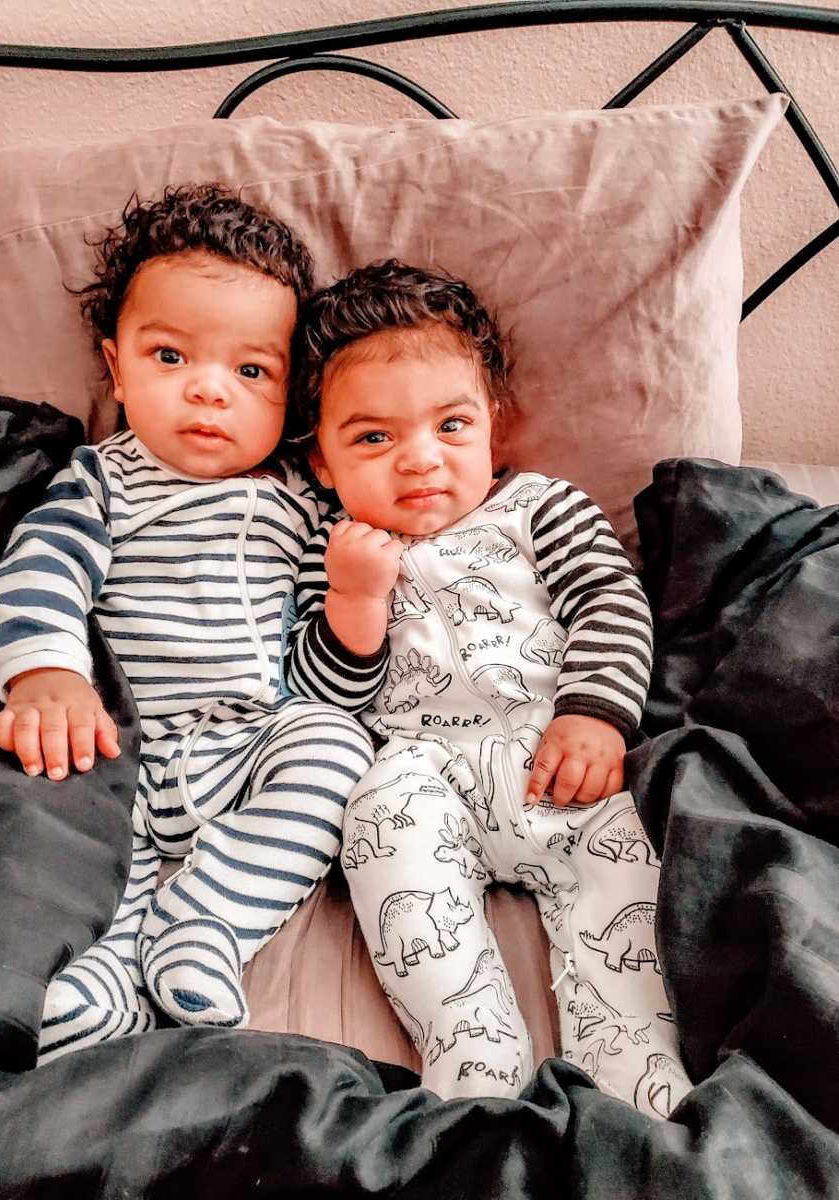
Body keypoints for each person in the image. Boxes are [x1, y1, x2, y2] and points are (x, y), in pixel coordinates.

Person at [284, 260, 692, 1115]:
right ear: (320, 461)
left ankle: (631, 1077)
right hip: (426, 772)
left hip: (560, 761)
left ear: (493, 429)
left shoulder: (538, 506)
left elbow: (611, 601)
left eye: (451, 424)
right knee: (378, 815)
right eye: (372, 439)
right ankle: (472, 1048)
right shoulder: (330, 548)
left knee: (622, 876)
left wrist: (596, 715)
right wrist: (353, 600)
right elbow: (322, 696)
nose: (421, 459)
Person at [0, 184, 375, 1063]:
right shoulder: (102, 481)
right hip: (125, 750)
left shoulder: (305, 505)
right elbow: (39, 571)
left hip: (247, 746)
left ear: (292, 394)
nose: (208, 392)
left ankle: (204, 925)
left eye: (250, 372)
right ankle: (104, 972)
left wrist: (353, 612)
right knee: (76, 831)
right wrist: (48, 675)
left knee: (338, 745)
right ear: (116, 369)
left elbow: (329, 684)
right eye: (169, 357)